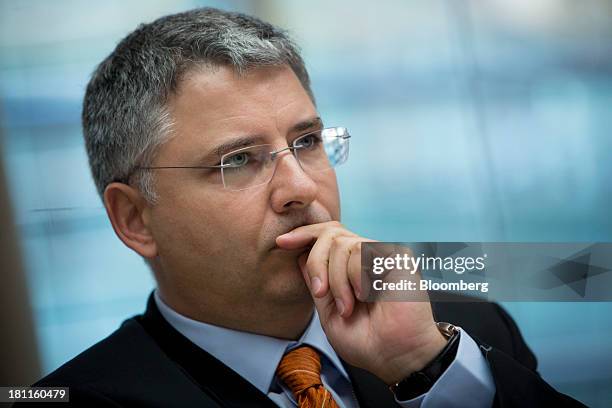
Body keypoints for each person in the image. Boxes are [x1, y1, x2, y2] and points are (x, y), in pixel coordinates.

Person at [21, 7, 584, 407]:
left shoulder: (463, 335)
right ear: (135, 219)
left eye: (308, 142)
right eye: (238, 160)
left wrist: (427, 370)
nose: (300, 188)